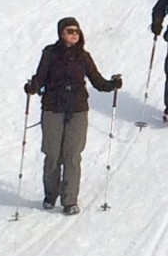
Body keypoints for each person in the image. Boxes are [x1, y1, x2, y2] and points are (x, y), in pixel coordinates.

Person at [24, 17, 122, 215]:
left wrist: (112, 85)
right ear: (61, 33)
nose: (74, 34)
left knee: (72, 155)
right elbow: (40, 77)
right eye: (69, 31)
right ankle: (51, 195)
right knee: (52, 154)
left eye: (76, 31)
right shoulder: (50, 53)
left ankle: (70, 200)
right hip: (53, 107)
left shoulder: (83, 56)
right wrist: (32, 87)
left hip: (77, 109)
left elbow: (97, 82)